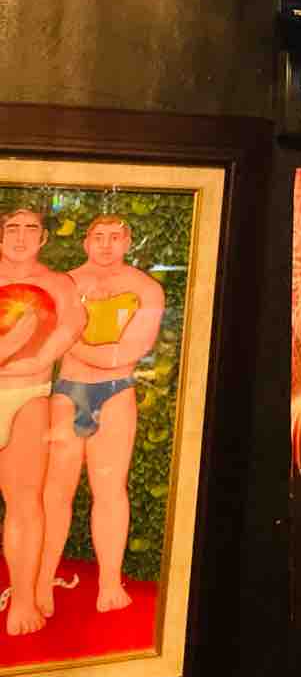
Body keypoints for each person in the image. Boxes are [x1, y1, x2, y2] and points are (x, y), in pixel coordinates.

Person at [37, 214, 164, 615]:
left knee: (110, 489)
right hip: (69, 392)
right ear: (86, 242)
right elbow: (47, 339)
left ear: (128, 242)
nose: (106, 245)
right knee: (55, 492)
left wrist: (71, 341)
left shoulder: (146, 288)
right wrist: (73, 344)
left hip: (116, 394)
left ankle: (109, 583)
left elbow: (129, 351)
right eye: (98, 237)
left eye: (114, 237)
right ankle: (41, 582)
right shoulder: (65, 284)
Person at [0, 207, 85, 636]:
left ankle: (23, 598)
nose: (20, 236)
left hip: (27, 396)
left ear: (43, 238)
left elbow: (73, 324)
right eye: (11, 228)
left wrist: (38, 359)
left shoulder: (57, 284)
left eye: (30, 228)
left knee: (25, 500)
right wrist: (13, 344)